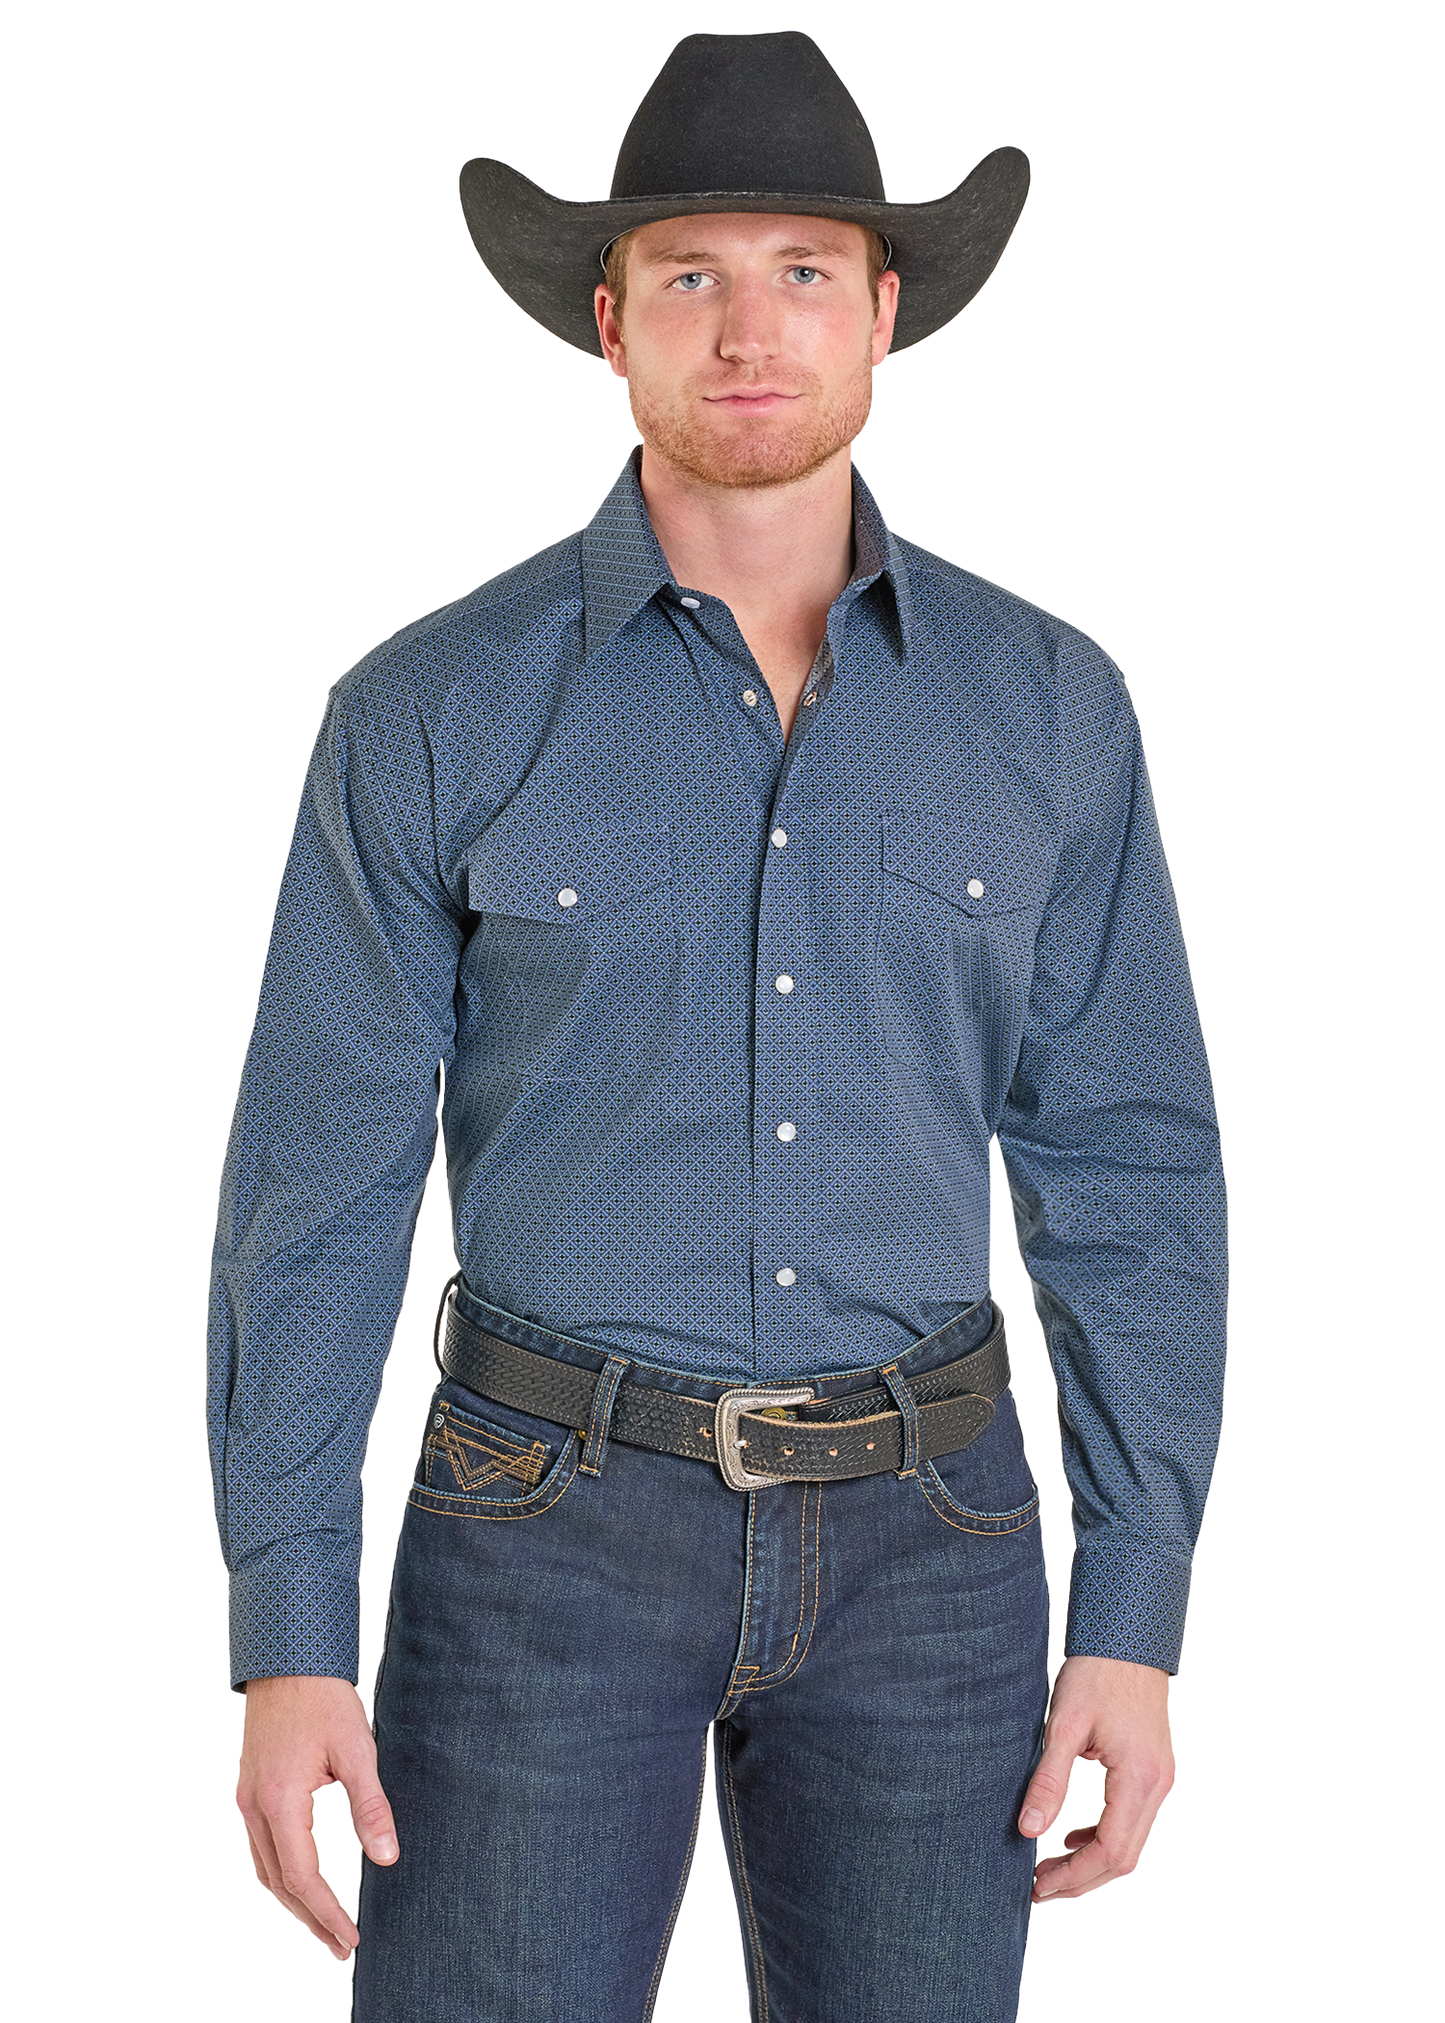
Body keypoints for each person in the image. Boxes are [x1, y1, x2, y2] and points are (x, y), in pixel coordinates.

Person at [209, 27, 1229, 2022]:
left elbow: (1128, 1170)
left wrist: (1132, 1616)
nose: (745, 330)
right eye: (689, 274)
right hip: (533, 1531)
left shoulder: (1047, 708)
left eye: (800, 274)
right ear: (608, 322)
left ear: (883, 315)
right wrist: (285, 1639)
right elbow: (312, 1193)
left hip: (936, 1543)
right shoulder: (420, 712)